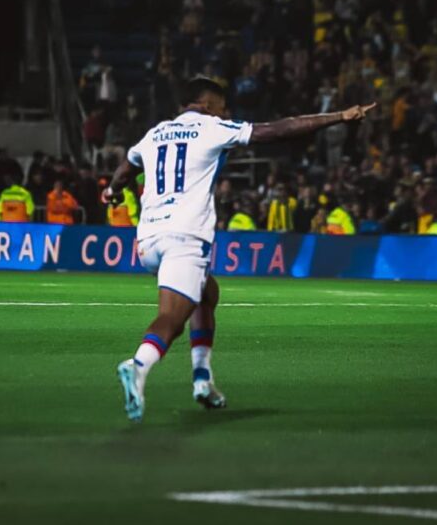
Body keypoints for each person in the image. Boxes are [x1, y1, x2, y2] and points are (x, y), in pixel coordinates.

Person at [104, 77, 374, 421]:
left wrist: (112, 193)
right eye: (222, 107)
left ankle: (202, 378)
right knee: (171, 319)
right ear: (206, 106)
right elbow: (278, 129)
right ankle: (138, 366)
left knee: (206, 291)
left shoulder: (155, 132)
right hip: (184, 238)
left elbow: (125, 171)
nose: (225, 113)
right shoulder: (212, 127)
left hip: (148, 240)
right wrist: (339, 116)